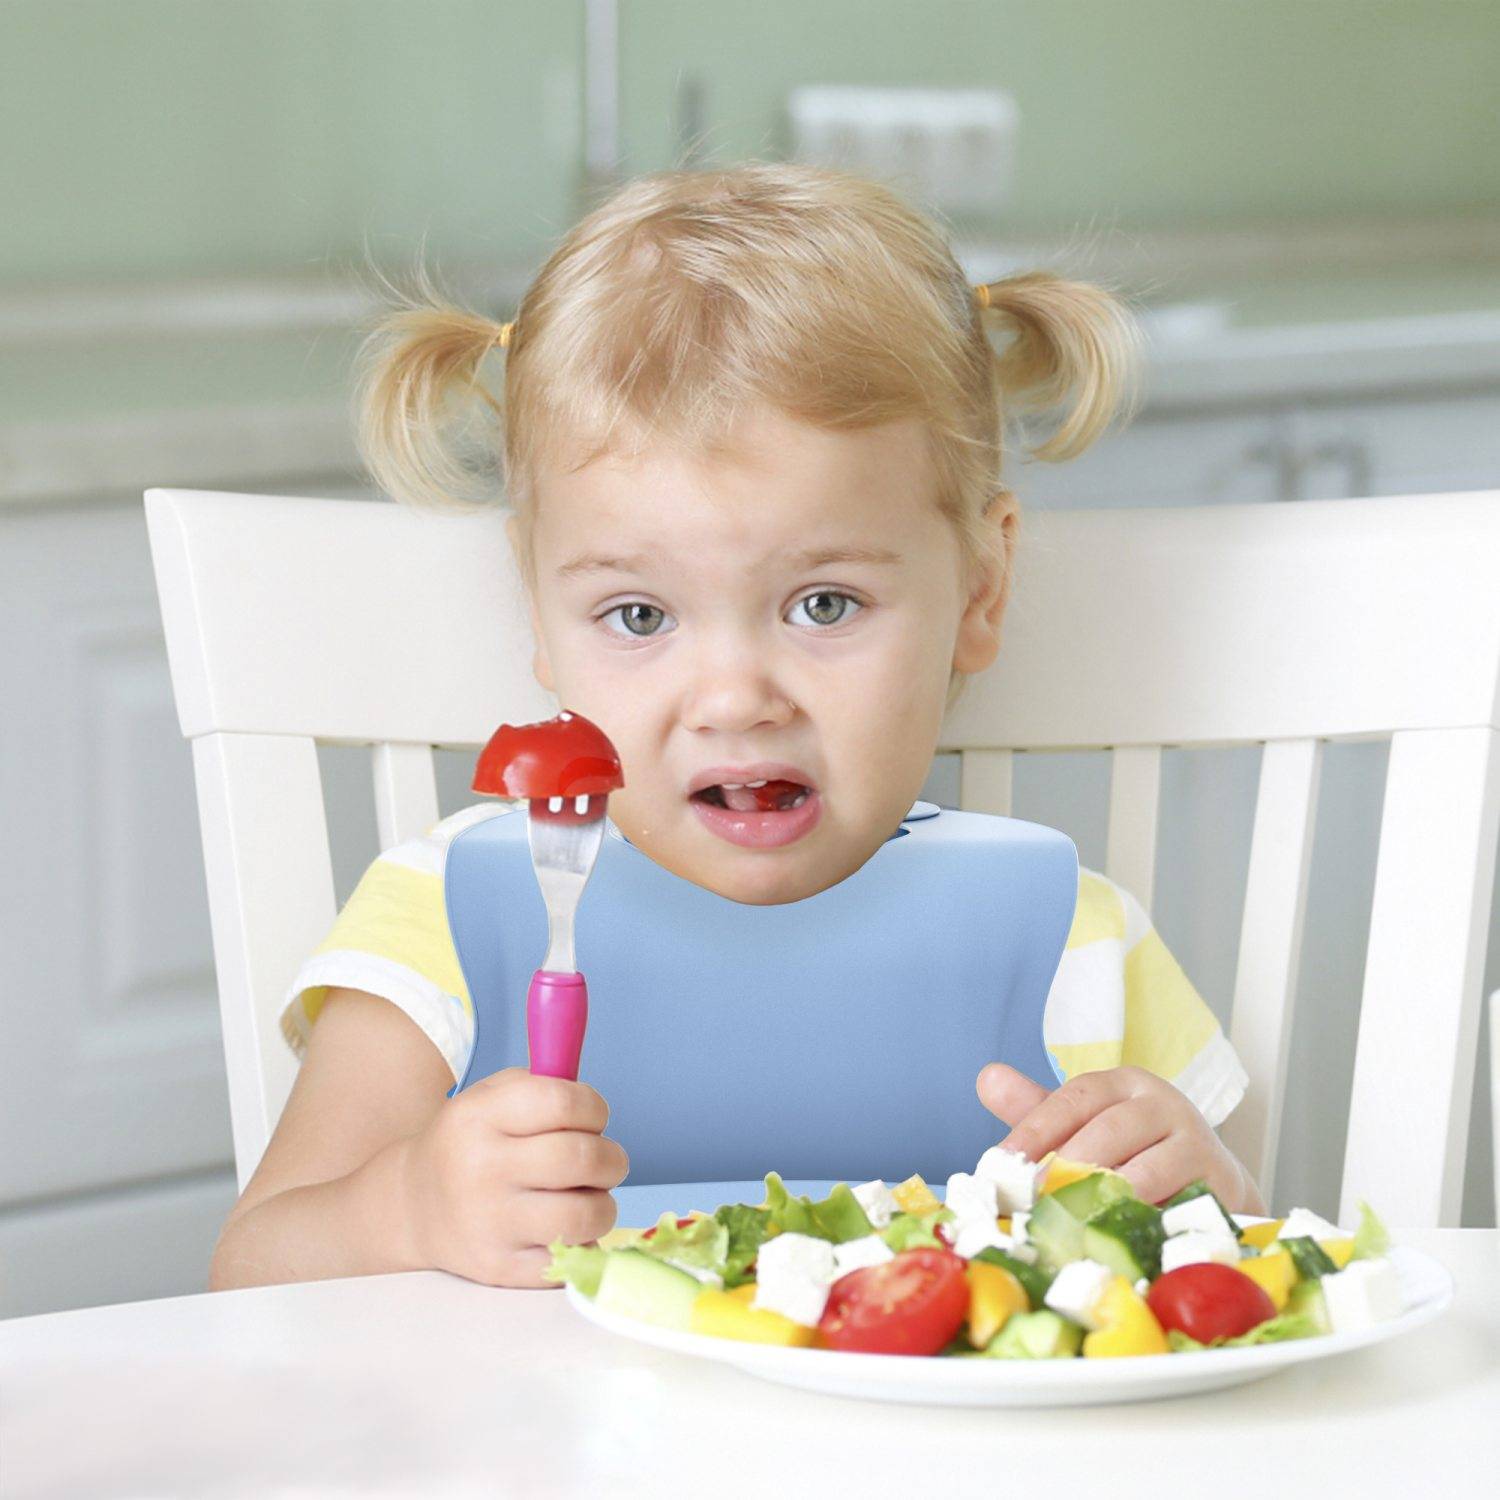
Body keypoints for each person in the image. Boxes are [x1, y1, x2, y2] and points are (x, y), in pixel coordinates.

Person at [208, 162, 1259, 1294]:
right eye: (640, 614)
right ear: (540, 617)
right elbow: (253, 1274)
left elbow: (1259, 1275)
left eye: (824, 605)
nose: (734, 697)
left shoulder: (1077, 948)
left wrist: (1210, 1202)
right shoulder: (448, 923)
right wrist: (406, 1208)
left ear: (982, 588)